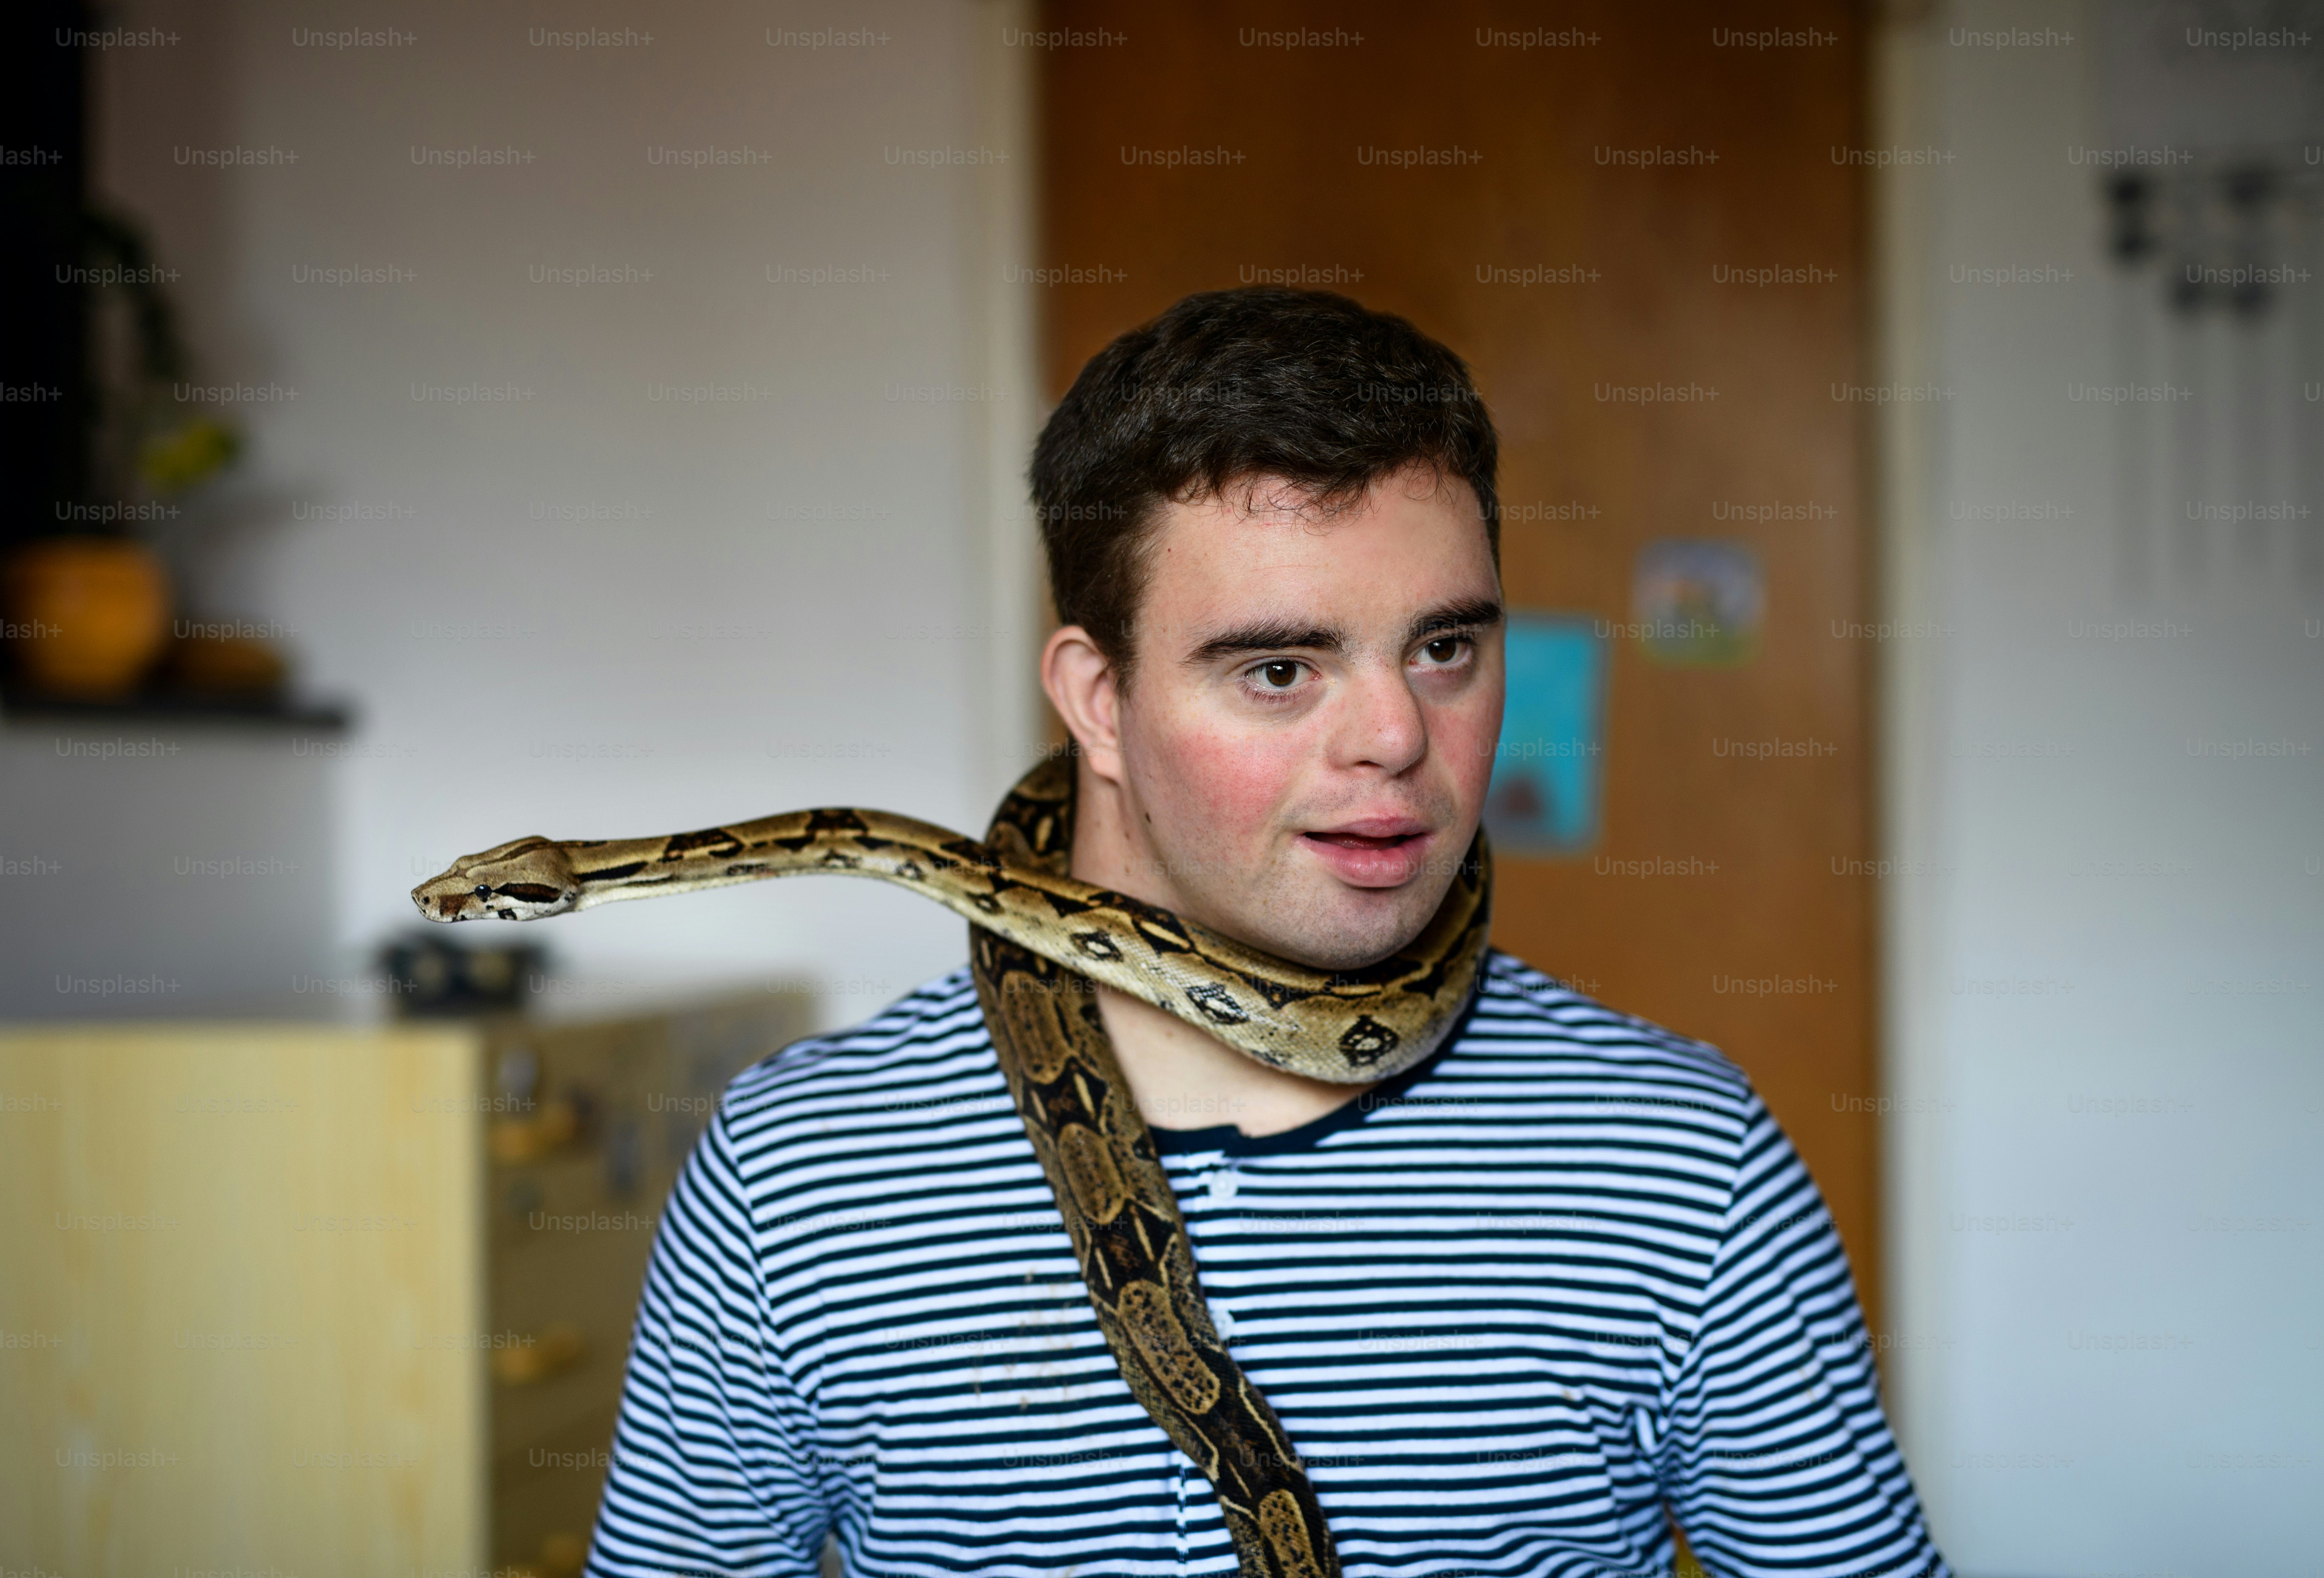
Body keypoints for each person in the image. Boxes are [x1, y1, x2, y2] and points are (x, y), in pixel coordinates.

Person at [585, 288, 1948, 1578]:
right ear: (1098, 702)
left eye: (1445, 648)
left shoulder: (1683, 1164)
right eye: (1279, 669)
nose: (1397, 738)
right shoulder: (792, 1179)